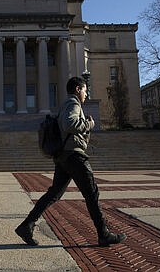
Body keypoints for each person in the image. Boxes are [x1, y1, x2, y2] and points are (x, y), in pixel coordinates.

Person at [15, 77, 126, 247]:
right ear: (77, 89)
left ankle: (26, 225)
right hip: (74, 156)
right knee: (92, 193)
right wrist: (88, 123)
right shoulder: (73, 104)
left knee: (54, 194)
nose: (86, 94)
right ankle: (103, 234)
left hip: (64, 157)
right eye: (85, 90)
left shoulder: (67, 104)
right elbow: (70, 124)